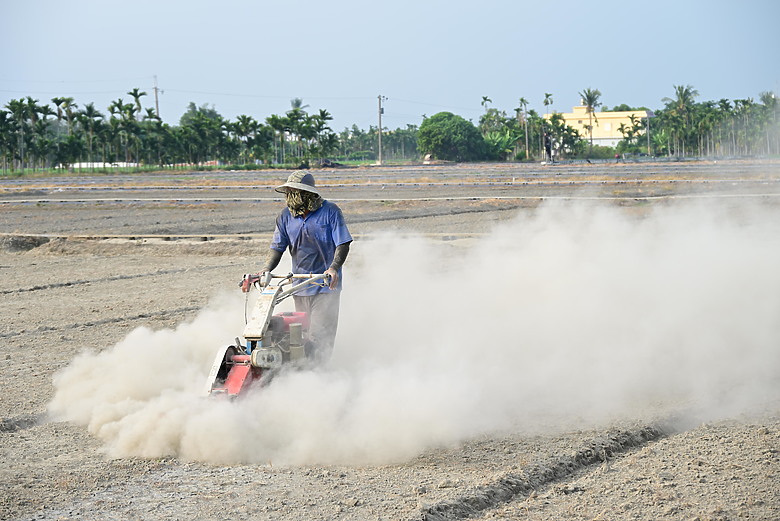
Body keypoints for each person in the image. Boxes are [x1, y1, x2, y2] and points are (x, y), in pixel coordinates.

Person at [258, 171, 352, 363]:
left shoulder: (331, 212)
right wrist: (266, 269)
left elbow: (343, 243)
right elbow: (277, 247)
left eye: (294, 192)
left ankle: (320, 374)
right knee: (299, 335)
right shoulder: (285, 217)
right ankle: (300, 372)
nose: (290, 197)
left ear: (307, 194)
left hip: (326, 285)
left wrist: (333, 268)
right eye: (288, 192)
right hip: (300, 286)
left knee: (320, 336)